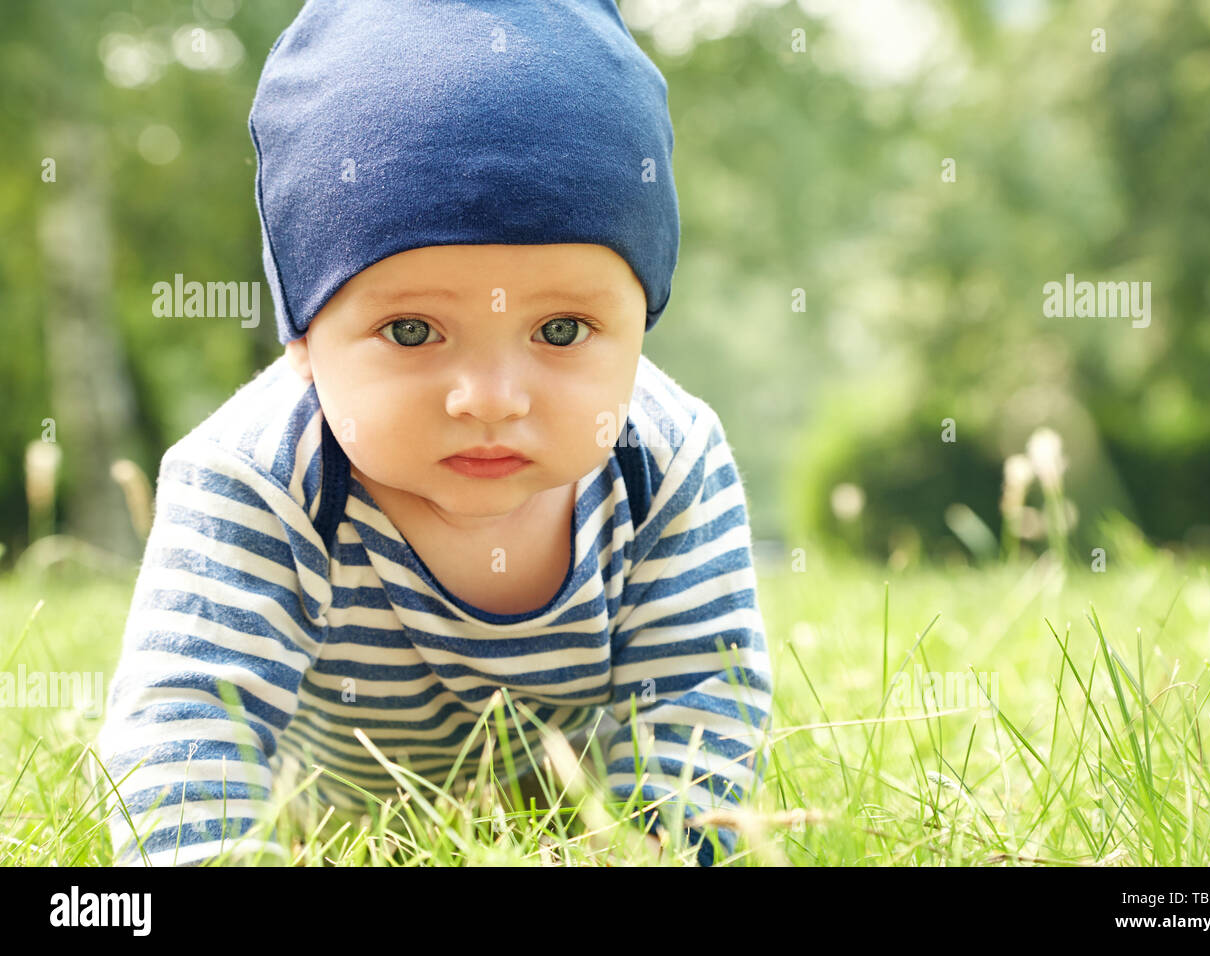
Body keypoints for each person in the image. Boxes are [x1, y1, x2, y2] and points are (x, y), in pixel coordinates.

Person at [95, 0, 772, 868]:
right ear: (303, 339)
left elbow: (700, 693)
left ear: (642, 323)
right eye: (413, 332)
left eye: (560, 331)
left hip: (567, 795)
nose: (489, 400)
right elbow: (187, 718)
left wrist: (667, 850)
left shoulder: (666, 461)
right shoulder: (256, 478)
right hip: (331, 810)